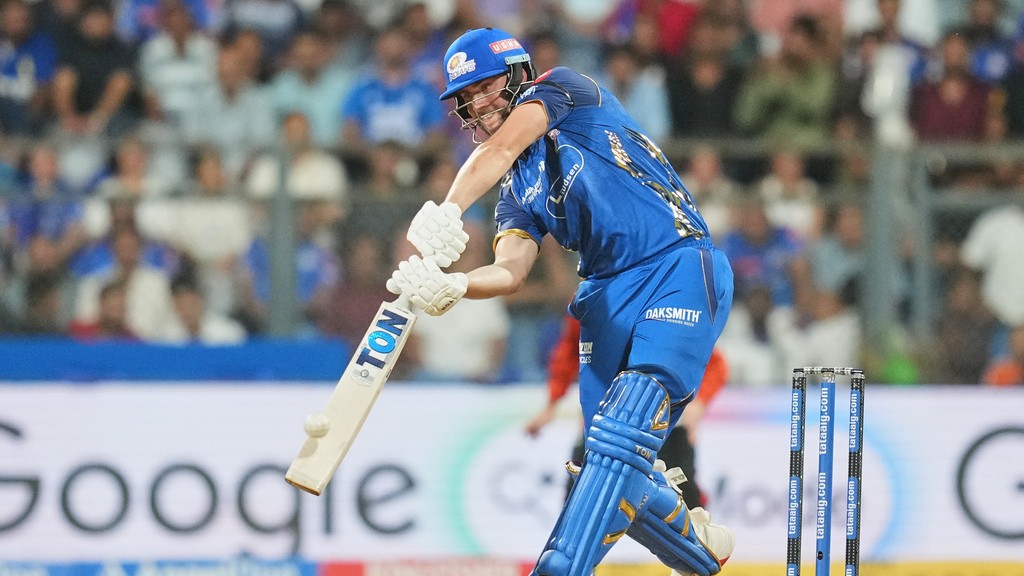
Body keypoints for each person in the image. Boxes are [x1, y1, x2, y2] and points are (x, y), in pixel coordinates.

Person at [385, 27, 734, 576]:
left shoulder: (564, 90)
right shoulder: (514, 190)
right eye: (466, 99)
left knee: (621, 433)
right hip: (602, 295)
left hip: (675, 263)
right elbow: (511, 270)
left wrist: (448, 207)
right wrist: (456, 286)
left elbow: (500, 148)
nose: (477, 104)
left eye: (486, 86)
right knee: (608, 465)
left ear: (519, 73)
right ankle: (699, 549)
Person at [525, 311, 729, 510]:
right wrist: (551, 406)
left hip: (663, 425)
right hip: (602, 423)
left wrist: (698, 404)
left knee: (683, 505)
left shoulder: (665, 301)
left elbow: (714, 363)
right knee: (577, 497)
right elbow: (569, 351)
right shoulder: (589, 299)